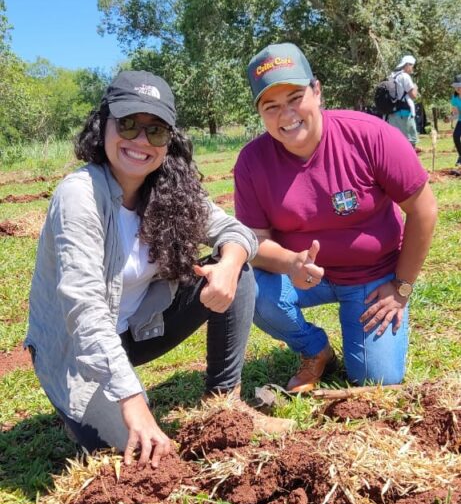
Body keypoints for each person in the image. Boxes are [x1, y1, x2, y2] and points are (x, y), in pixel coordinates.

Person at [26, 70, 261, 468]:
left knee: (237, 275)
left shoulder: (168, 189)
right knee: (140, 455)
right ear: (103, 126)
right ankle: (81, 411)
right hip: (76, 353)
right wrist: (133, 400)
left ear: (169, 141)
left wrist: (231, 263)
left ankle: (225, 403)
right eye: (128, 124)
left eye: (155, 131)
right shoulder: (80, 195)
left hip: (136, 330)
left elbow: (236, 231)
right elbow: (83, 309)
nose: (139, 141)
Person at [234, 42, 437, 392]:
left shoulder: (371, 135)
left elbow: (424, 210)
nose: (286, 115)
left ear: (317, 91)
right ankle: (314, 348)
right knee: (246, 286)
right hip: (299, 277)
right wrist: (292, 262)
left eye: (295, 97)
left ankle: (373, 329)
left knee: (377, 380)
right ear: (260, 112)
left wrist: (401, 286)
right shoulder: (251, 162)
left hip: (373, 277)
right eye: (271, 106)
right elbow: (255, 242)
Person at [386, 55, 419, 147]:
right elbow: (413, 95)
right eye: (412, 65)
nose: (413, 68)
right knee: (411, 141)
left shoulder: (392, 76)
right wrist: (415, 87)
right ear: (407, 65)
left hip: (393, 113)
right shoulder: (405, 76)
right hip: (404, 113)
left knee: (397, 141)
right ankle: (410, 161)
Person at [450, 74, 461, 168]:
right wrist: (450, 118)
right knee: (456, 136)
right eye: (456, 86)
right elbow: (456, 114)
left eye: (459, 85)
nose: (457, 88)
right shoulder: (454, 97)